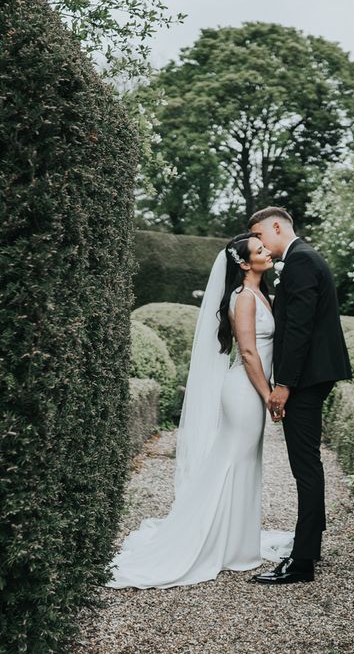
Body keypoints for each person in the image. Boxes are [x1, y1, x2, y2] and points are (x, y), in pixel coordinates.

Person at [106, 233, 293, 589]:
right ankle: (211, 542)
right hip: (245, 390)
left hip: (252, 390)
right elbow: (250, 353)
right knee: (231, 463)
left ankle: (237, 545)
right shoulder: (243, 298)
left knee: (244, 464)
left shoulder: (262, 294)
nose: (267, 251)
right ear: (243, 263)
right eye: (259, 250)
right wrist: (269, 394)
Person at [247, 206, 352, 585]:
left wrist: (284, 385)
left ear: (277, 226)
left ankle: (302, 561)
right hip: (310, 376)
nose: (258, 243)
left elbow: (300, 329)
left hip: (305, 380)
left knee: (305, 467)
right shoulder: (300, 259)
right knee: (307, 465)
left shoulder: (302, 261)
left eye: (259, 235)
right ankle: (310, 547)